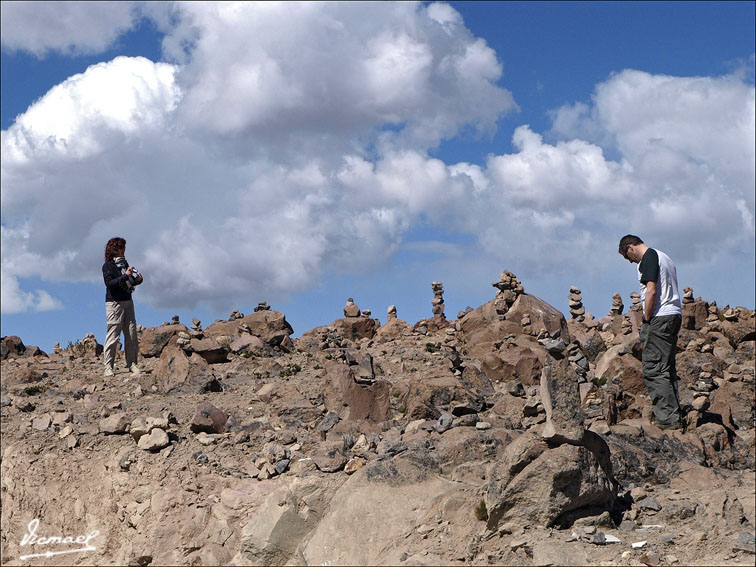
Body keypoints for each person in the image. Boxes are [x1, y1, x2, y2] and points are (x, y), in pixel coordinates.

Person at [618, 235, 683, 429]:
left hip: (659, 317)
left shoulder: (649, 257)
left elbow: (652, 290)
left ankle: (668, 421)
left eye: (627, 256)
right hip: (673, 314)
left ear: (630, 247)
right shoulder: (665, 257)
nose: (630, 261)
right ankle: (674, 416)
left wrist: (646, 318)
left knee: (654, 369)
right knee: (666, 367)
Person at [102, 237, 143, 377]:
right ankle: (108, 366)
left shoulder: (124, 264)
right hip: (114, 303)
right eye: (122, 248)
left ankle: (132, 363)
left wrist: (136, 281)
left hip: (127, 301)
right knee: (113, 334)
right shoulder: (108, 266)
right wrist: (125, 276)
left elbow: (126, 282)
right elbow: (110, 284)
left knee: (131, 333)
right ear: (115, 250)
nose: (124, 250)